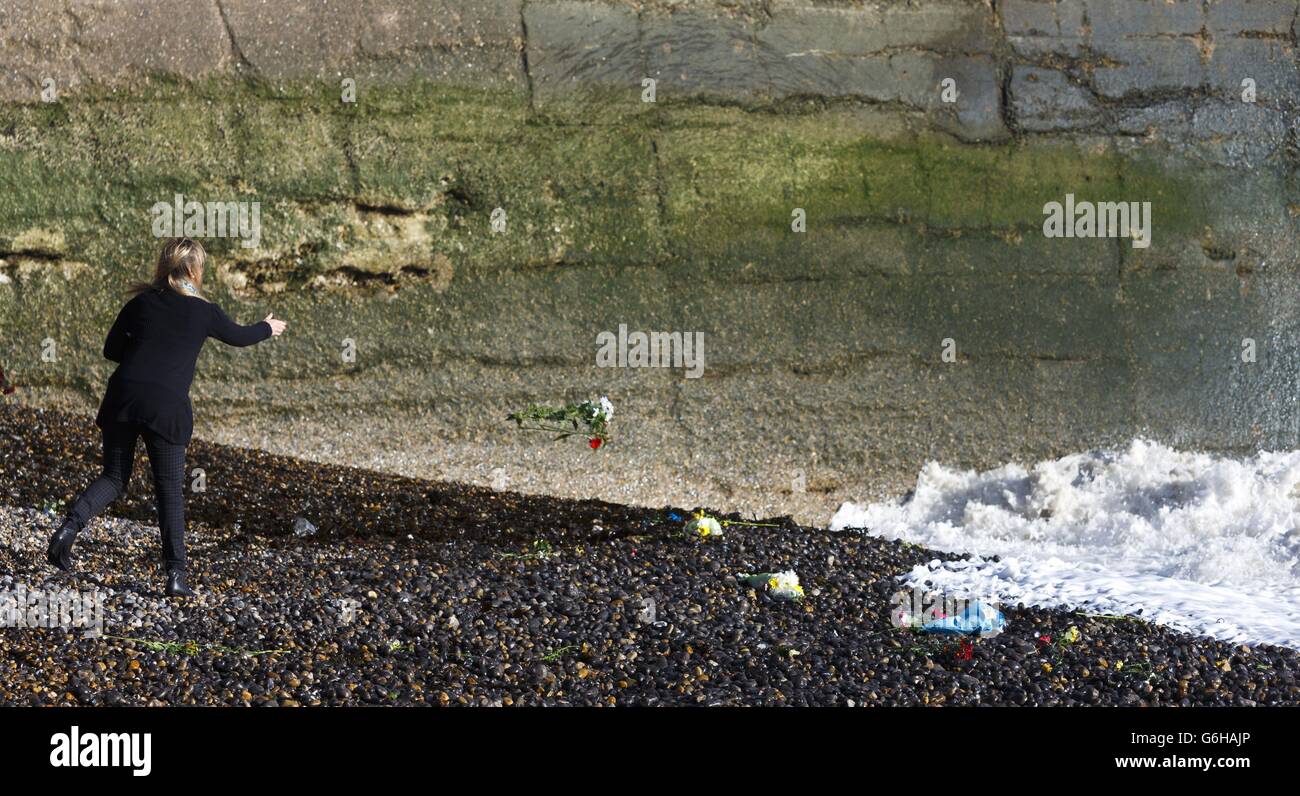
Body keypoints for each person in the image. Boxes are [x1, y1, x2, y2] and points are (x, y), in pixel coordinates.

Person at [47, 238, 286, 597]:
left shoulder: (141, 302)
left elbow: (111, 350)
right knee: (170, 492)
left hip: (124, 397)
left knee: (114, 477)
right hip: (166, 407)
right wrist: (268, 326)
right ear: (194, 270)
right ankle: (176, 577)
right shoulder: (205, 311)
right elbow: (240, 336)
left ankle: (67, 530)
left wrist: (146, 350)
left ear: (165, 266)